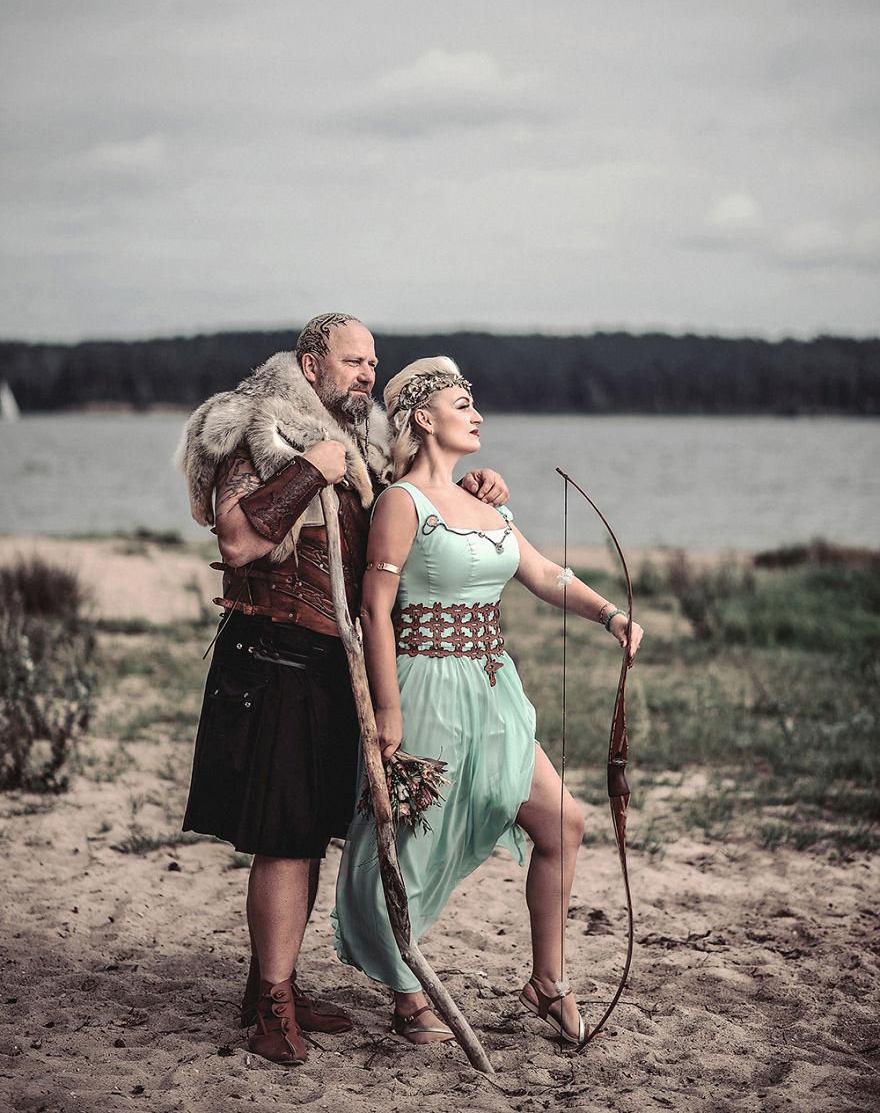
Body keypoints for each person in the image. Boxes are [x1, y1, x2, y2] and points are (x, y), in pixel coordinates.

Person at [175, 315, 509, 1065]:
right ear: (310, 364)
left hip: (334, 664)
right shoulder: (255, 430)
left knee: (309, 832)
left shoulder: (358, 445)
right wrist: (307, 470)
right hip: (273, 657)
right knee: (284, 838)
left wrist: (470, 489)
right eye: (355, 361)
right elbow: (238, 540)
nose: (369, 374)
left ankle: (271, 983)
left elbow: (404, 514)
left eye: (373, 363)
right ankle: (272, 1007)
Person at [332, 356, 644, 1046]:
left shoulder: (489, 504)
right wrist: (387, 712)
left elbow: (544, 574)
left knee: (562, 822)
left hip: (494, 688)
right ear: (423, 419)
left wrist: (610, 615)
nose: (477, 415)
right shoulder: (400, 503)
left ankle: (548, 982)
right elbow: (375, 611)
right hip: (424, 688)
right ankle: (407, 994)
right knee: (409, 844)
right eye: (462, 403)